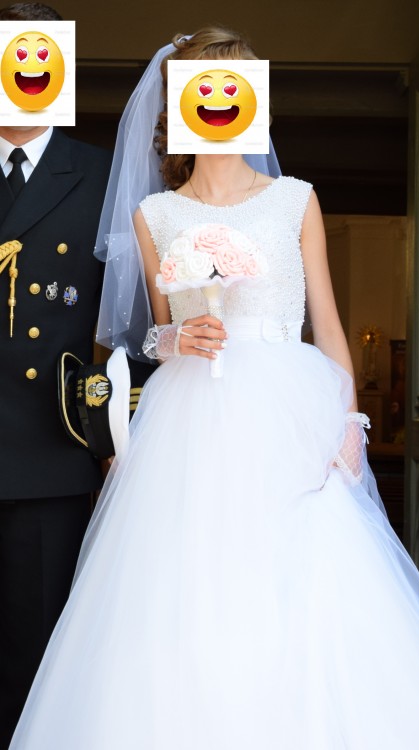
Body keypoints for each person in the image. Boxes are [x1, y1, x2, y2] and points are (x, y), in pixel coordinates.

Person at [9, 27, 419, 750]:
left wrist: (348, 425)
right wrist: (175, 338)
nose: (219, 100)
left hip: (286, 414)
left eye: (234, 86)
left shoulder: (295, 201)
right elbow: (152, 334)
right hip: (187, 422)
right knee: (186, 589)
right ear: (178, 109)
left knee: (299, 586)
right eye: (203, 89)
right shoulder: (155, 215)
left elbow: (327, 326)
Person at [0, 4, 113, 748]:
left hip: (49, 454)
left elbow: (130, 327)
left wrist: (113, 444)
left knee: (34, 656)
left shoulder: (101, 175)